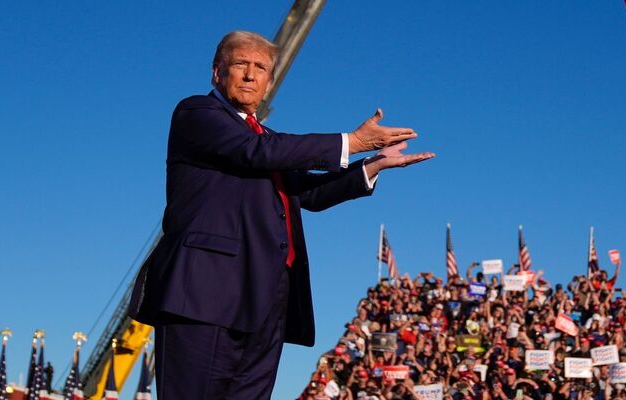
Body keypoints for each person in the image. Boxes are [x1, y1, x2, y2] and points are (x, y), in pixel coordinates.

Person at [128, 30, 433, 399]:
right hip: (205, 296)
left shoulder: (267, 140)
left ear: (269, 82)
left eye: (261, 68)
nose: (250, 75)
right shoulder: (197, 114)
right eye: (240, 64)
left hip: (266, 302)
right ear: (217, 72)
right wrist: (349, 142)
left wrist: (370, 165)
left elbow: (310, 191)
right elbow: (255, 151)